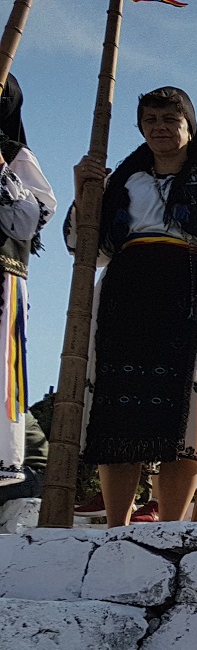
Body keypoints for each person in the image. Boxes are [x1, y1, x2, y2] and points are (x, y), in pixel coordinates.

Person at [71, 87, 197, 527]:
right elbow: (86, 244)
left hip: (188, 300)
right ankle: (117, 524)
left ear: (189, 125)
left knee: (183, 413)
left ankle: (170, 526)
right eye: (150, 120)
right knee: (117, 411)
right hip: (125, 297)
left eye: (170, 119)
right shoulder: (125, 180)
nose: (160, 128)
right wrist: (85, 190)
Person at [1, 75, 55, 492]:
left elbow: (27, 220)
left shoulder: (13, 154)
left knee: (4, 373)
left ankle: (21, 468)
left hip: (2, 277)